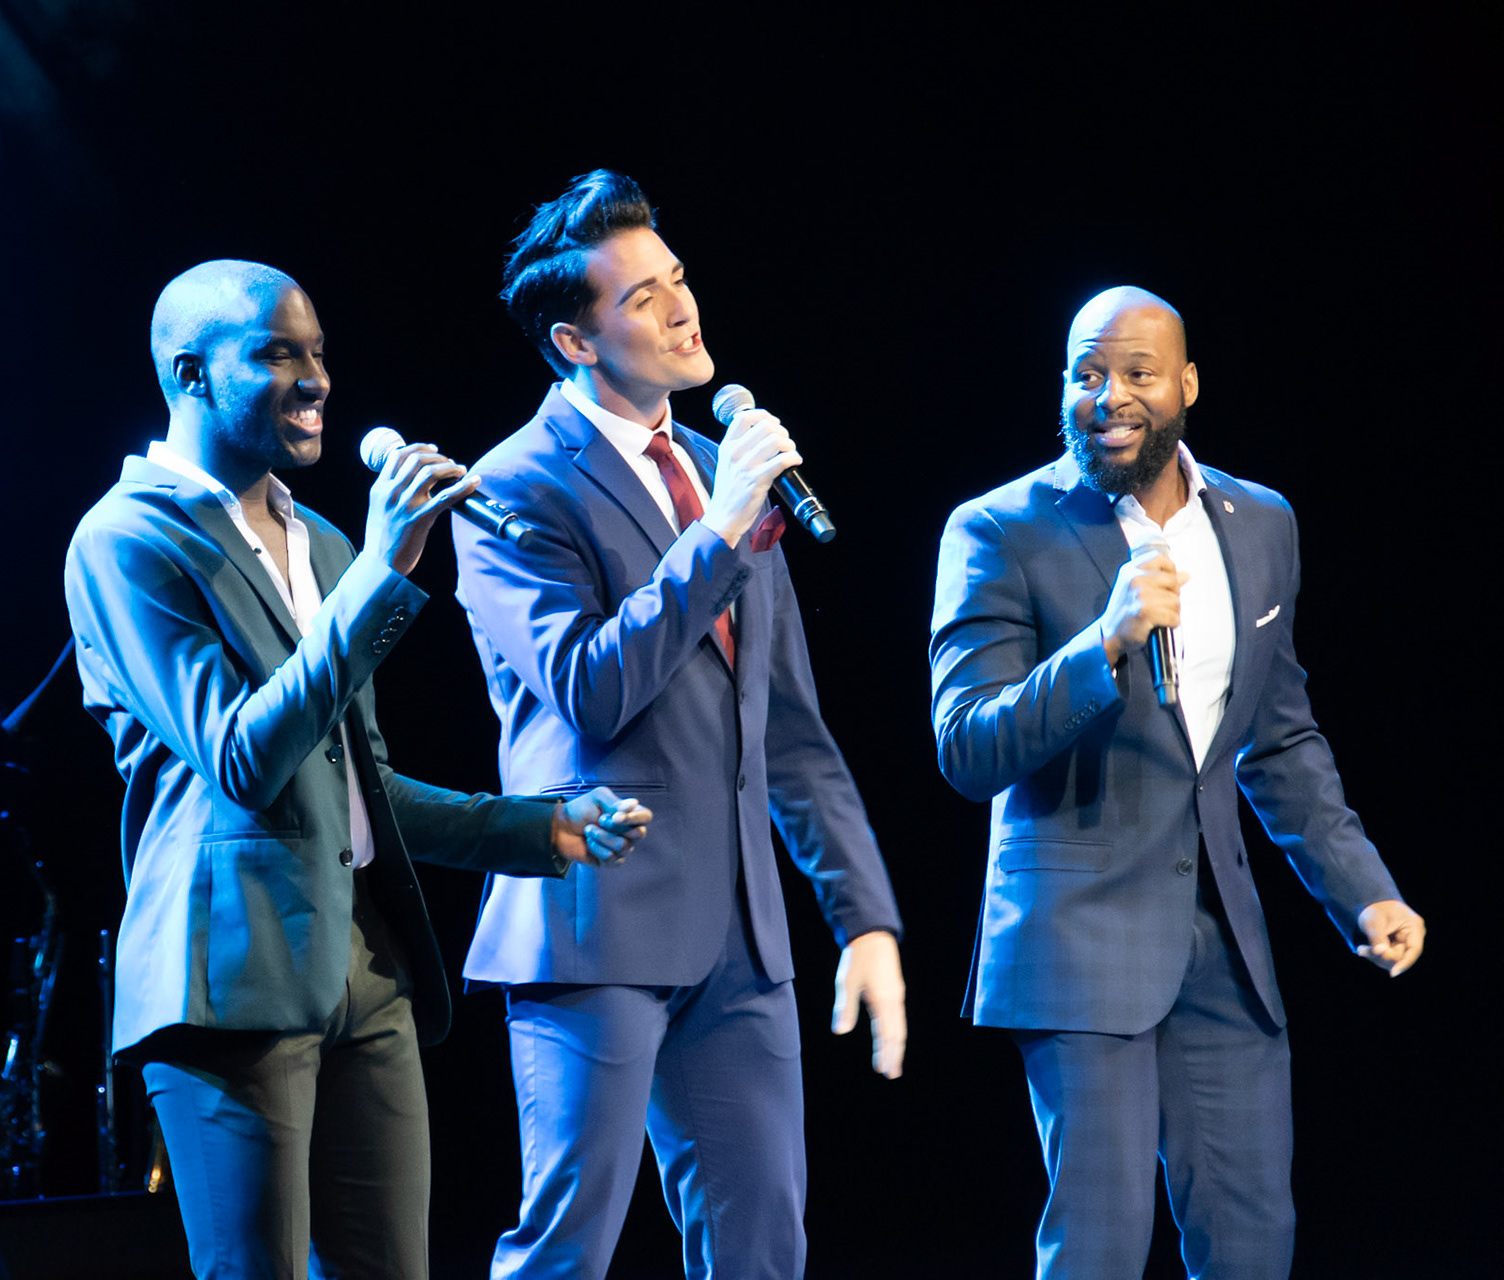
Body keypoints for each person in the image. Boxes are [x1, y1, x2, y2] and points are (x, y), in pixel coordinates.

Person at [61, 260, 650, 1280]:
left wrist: (536, 826)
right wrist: (380, 575)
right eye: (276, 354)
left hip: (365, 968)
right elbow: (243, 758)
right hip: (230, 975)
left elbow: (357, 789)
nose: (316, 378)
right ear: (190, 373)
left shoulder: (325, 543)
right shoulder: (126, 540)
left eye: (320, 352)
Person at [450, 170, 907, 1278]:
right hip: (596, 917)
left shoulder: (715, 469)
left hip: (741, 934)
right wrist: (720, 532)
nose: (681, 308)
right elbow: (590, 687)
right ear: (574, 341)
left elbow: (787, 726)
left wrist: (863, 916)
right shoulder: (511, 486)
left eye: (679, 279)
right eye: (642, 297)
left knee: (763, 1244)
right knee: (567, 1245)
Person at [928, 286, 1427, 1278]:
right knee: (1101, 1247)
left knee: (1252, 1240)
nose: (1108, 395)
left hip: (1220, 943)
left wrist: (1363, 888)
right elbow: (967, 746)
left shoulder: (1261, 522)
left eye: (1137, 373)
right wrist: (1103, 643)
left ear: (1187, 384)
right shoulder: (997, 528)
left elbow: (1278, 739)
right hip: (1077, 934)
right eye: (1086, 372)